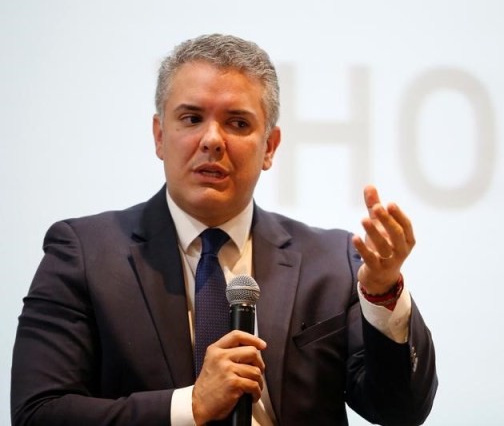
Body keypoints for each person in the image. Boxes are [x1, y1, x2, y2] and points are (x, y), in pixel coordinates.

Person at [11, 33, 437, 425]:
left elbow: (401, 409)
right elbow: (39, 412)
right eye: (192, 118)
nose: (213, 139)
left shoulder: (331, 261)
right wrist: (190, 405)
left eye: (237, 123)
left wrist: (382, 293)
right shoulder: (84, 254)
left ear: (269, 147)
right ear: (159, 136)